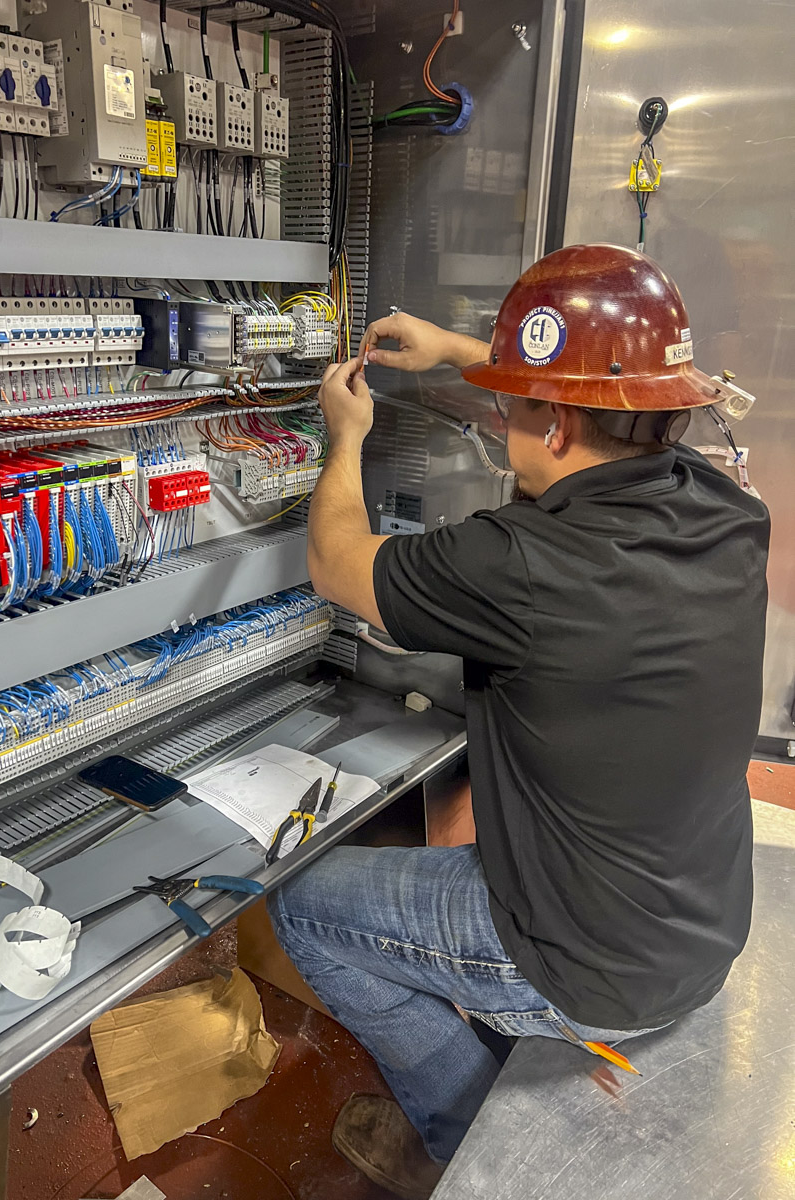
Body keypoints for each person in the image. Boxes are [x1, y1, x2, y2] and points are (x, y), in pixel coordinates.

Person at [268, 244, 770, 1200]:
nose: (499, 422)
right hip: (702, 922)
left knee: (304, 907)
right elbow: (601, 407)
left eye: (512, 406)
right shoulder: (722, 503)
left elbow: (336, 561)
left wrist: (347, 434)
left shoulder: (521, 563)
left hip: (592, 966)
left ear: (561, 424)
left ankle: (455, 1135)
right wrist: (464, 350)